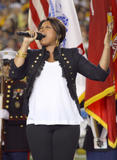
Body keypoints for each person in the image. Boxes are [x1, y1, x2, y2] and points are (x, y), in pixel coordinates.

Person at [9, 17, 112, 160]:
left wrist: (107, 46)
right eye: (41, 28)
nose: (41, 30)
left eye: (47, 27)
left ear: (58, 34)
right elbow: (15, 73)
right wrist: (26, 43)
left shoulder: (72, 56)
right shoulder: (31, 55)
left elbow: (99, 74)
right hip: (37, 123)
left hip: (67, 123)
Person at [0, 51, 29, 160]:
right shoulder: (1, 85)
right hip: (1, 142)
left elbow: (30, 115)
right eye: (4, 64)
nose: (7, 68)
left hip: (18, 142)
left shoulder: (24, 86)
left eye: (10, 64)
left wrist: (10, 117)